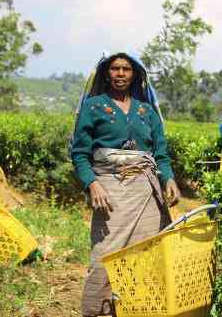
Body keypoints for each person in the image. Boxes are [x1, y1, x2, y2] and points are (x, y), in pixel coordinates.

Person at [70, 52, 181, 317]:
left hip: (146, 192)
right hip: (109, 191)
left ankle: (140, 310)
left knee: (148, 255)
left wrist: (169, 179)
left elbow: (161, 154)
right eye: (115, 69)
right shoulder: (94, 106)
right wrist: (92, 184)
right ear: (107, 74)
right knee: (105, 255)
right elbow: (80, 153)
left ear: (135, 75)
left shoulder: (147, 111)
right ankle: (99, 311)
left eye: (126, 69)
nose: (120, 74)